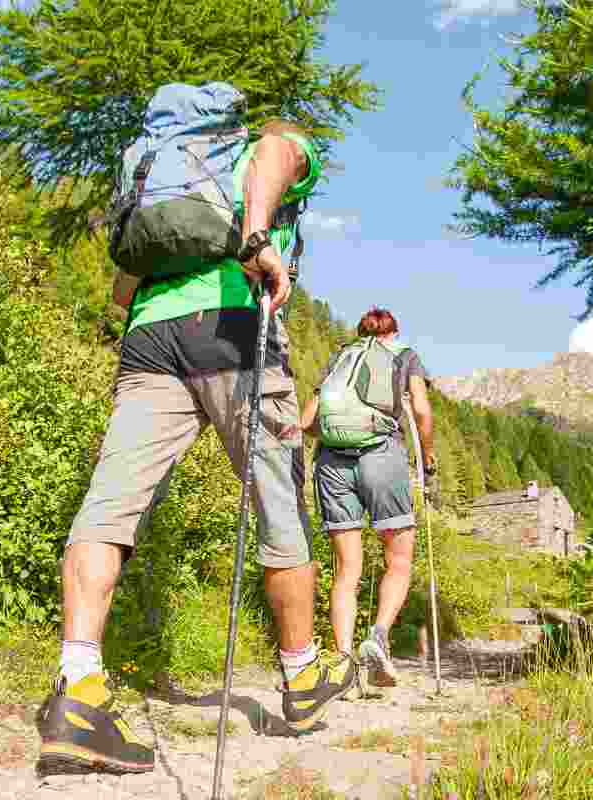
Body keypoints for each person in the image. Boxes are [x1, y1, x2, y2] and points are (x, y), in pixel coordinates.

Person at [36, 118, 357, 777]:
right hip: (235, 327)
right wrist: (259, 236)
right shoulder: (263, 143)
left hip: (150, 338)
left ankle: (78, 691)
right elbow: (279, 150)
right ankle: (301, 675)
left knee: (108, 505)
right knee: (278, 503)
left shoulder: (160, 172)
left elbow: (125, 285)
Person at [281, 308, 436, 688]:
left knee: (346, 570)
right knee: (398, 560)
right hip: (381, 455)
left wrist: (301, 437)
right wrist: (426, 455)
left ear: (361, 332)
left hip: (332, 462)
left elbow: (310, 415)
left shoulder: (341, 357)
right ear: (394, 332)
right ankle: (378, 636)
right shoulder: (405, 355)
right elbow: (419, 408)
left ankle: (344, 662)